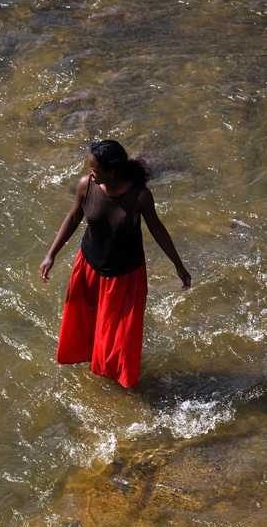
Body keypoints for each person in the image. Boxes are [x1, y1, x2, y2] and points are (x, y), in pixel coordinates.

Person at [39, 139, 191, 388]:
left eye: (94, 169)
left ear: (111, 171)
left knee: (118, 339)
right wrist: (51, 254)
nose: (90, 172)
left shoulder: (139, 196)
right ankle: (91, 374)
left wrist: (178, 265)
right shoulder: (86, 185)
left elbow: (157, 228)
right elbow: (74, 216)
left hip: (124, 276)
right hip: (88, 267)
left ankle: (119, 386)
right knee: (83, 328)